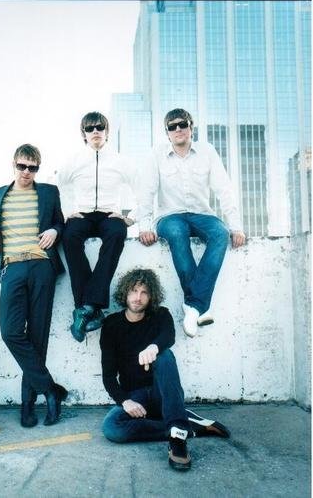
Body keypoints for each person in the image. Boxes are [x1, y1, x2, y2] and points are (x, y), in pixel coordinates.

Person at [100, 268, 231, 471]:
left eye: (144, 292)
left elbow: (168, 336)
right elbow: (108, 377)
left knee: (165, 355)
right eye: (134, 291)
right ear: (125, 292)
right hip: (136, 397)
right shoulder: (111, 325)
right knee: (112, 428)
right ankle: (186, 425)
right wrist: (125, 402)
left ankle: (177, 438)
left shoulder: (161, 315)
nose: (138, 297)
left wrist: (154, 347)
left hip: (162, 392)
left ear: (151, 296)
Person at [138, 108, 246, 338]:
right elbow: (146, 192)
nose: (178, 129)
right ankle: (200, 307)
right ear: (167, 132)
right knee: (177, 231)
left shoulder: (207, 151)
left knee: (220, 233)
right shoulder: (156, 154)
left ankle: (193, 306)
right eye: (172, 126)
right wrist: (144, 226)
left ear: (191, 127)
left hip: (201, 214)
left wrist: (236, 226)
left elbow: (224, 190)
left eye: (183, 124)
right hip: (169, 216)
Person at [0, 143, 67, 428]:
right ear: (14, 165)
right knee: (10, 332)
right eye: (22, 166)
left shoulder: (48, 192)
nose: (26, 172)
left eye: (32, 168)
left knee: (37, 336)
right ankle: (51, 390)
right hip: (12, 267)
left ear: (37, 169)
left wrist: (55, 229)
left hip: (41, 265)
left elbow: (60, 222)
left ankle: (28, 406)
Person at [58, 111, 137, 342]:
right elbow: (55, 186)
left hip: (109, 214)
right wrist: (65, 212)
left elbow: (143, 188)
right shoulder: (74, 160)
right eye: (90, 128)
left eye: (100, 127)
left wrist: (131, 216)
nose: (95, 131)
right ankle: (90, 306)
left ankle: (85, 307)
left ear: (107, 131)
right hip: (82, 214)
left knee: (118, 231)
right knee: (69, 236)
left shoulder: (120, 161)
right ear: (83, 133)